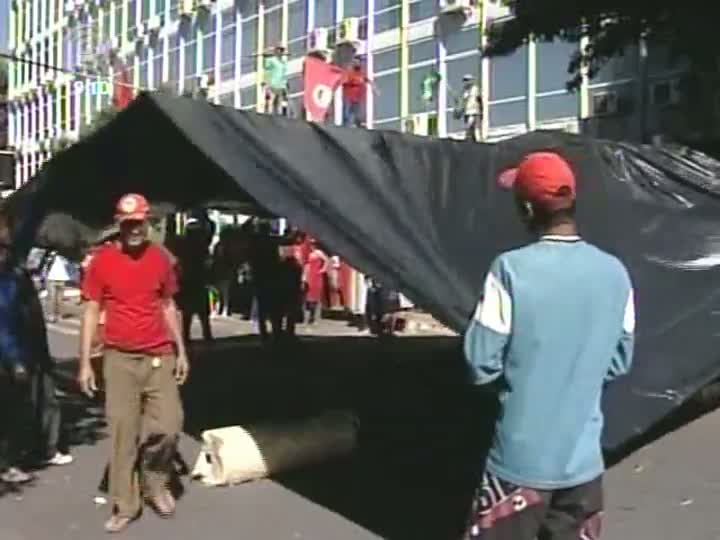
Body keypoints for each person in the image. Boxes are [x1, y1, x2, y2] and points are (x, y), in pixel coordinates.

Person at [462, 152, 635, 540]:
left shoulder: (509, 269)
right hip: (583, 467)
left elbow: (479, 362)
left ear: (526, 208)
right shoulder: (615, 273)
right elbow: (620, 361)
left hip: (519, 462)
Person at [77, 193, 189, 534]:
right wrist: (84, 363)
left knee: (169, 426)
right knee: (123, 434)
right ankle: (125, 504)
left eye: (139, 222)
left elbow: (169, 305)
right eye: (128, 224)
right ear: (119, 225)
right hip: (119, 358)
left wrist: (181, 350)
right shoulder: (102, 261)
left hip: (159, 354)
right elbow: (91, 311)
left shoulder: (161, 260)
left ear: (147, 222)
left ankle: (155, 480)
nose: (134, 229)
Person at [175, 218, 213, 343]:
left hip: (188, 280)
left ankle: (186, 337)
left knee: (188, 312)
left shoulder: (182, 244)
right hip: (197, 280)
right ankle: (206, 336)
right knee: (201, 312)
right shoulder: (202, 245)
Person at [303, 239, 329, 325]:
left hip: (316, 275)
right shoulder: (310, 254)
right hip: (310, 275)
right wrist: (305, 276)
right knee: (309, 297)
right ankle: (309, 317)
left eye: (313, 244)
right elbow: (307, 265)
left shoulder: (319, 252)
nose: (312, 246)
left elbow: (327, 260)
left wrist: (323, 270)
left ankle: (314, 317)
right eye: (311, 244)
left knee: (315, 297)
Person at [341, 59, 374, 128]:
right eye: (356, 63)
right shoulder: (349, 72)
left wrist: (374, 88)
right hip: (348, 97)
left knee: (355, 114)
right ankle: (347, 127)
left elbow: (367, 80)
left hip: (357, 98)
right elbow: (344, 82)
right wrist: (355, 81)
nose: (358, 64)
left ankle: (356, 125)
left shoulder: (361, 73)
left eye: (358, 63)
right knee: (347, 114)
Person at [45, 250, 71, 323]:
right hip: (61, 279)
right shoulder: (64, 258)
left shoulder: (51, 257)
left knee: (54, 298)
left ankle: (53, 316)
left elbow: (47, 266)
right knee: (59, 298)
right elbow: (68, 265)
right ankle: (59, 315)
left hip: (53, 279)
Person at [263, 44, 288, 116]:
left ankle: (281, 116)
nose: (280, 51)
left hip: (281, 86)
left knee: (280, 104)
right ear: (276, 51)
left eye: (282, 50)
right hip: (272, 85)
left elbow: (284, 75)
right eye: (279, 50)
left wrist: (285, 85)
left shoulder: (283, 63)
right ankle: (268, 116)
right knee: (270, 103)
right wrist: (266, 83)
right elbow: (267, 71)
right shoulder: (271, 60)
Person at [461, 74, 482, 142]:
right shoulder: (464, 90)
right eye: (465, 80)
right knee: (470, 126)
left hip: (473, 110)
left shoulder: (475, 89)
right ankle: (473, 139)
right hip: (467, 110)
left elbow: (479, 99)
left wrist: (481, 110)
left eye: (467, 80)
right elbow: (463, 100)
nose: (466, 82)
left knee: (469, 124)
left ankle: (468, 137)